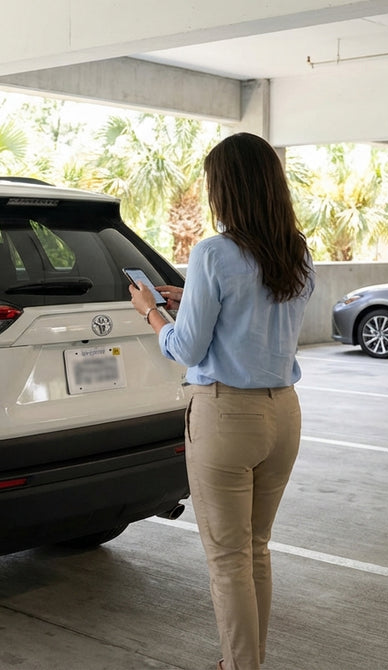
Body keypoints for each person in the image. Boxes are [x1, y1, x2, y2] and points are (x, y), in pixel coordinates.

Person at [129, 132, 314, 670]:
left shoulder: (213, 253)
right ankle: (247, 662)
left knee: (227, 559)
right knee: (255, 549)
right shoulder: (295, 252)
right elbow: (254, 310)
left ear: (226, 189)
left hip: (225, 414)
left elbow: (185, 348)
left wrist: (152, 311)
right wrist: (189, 300)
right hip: (282, 413)